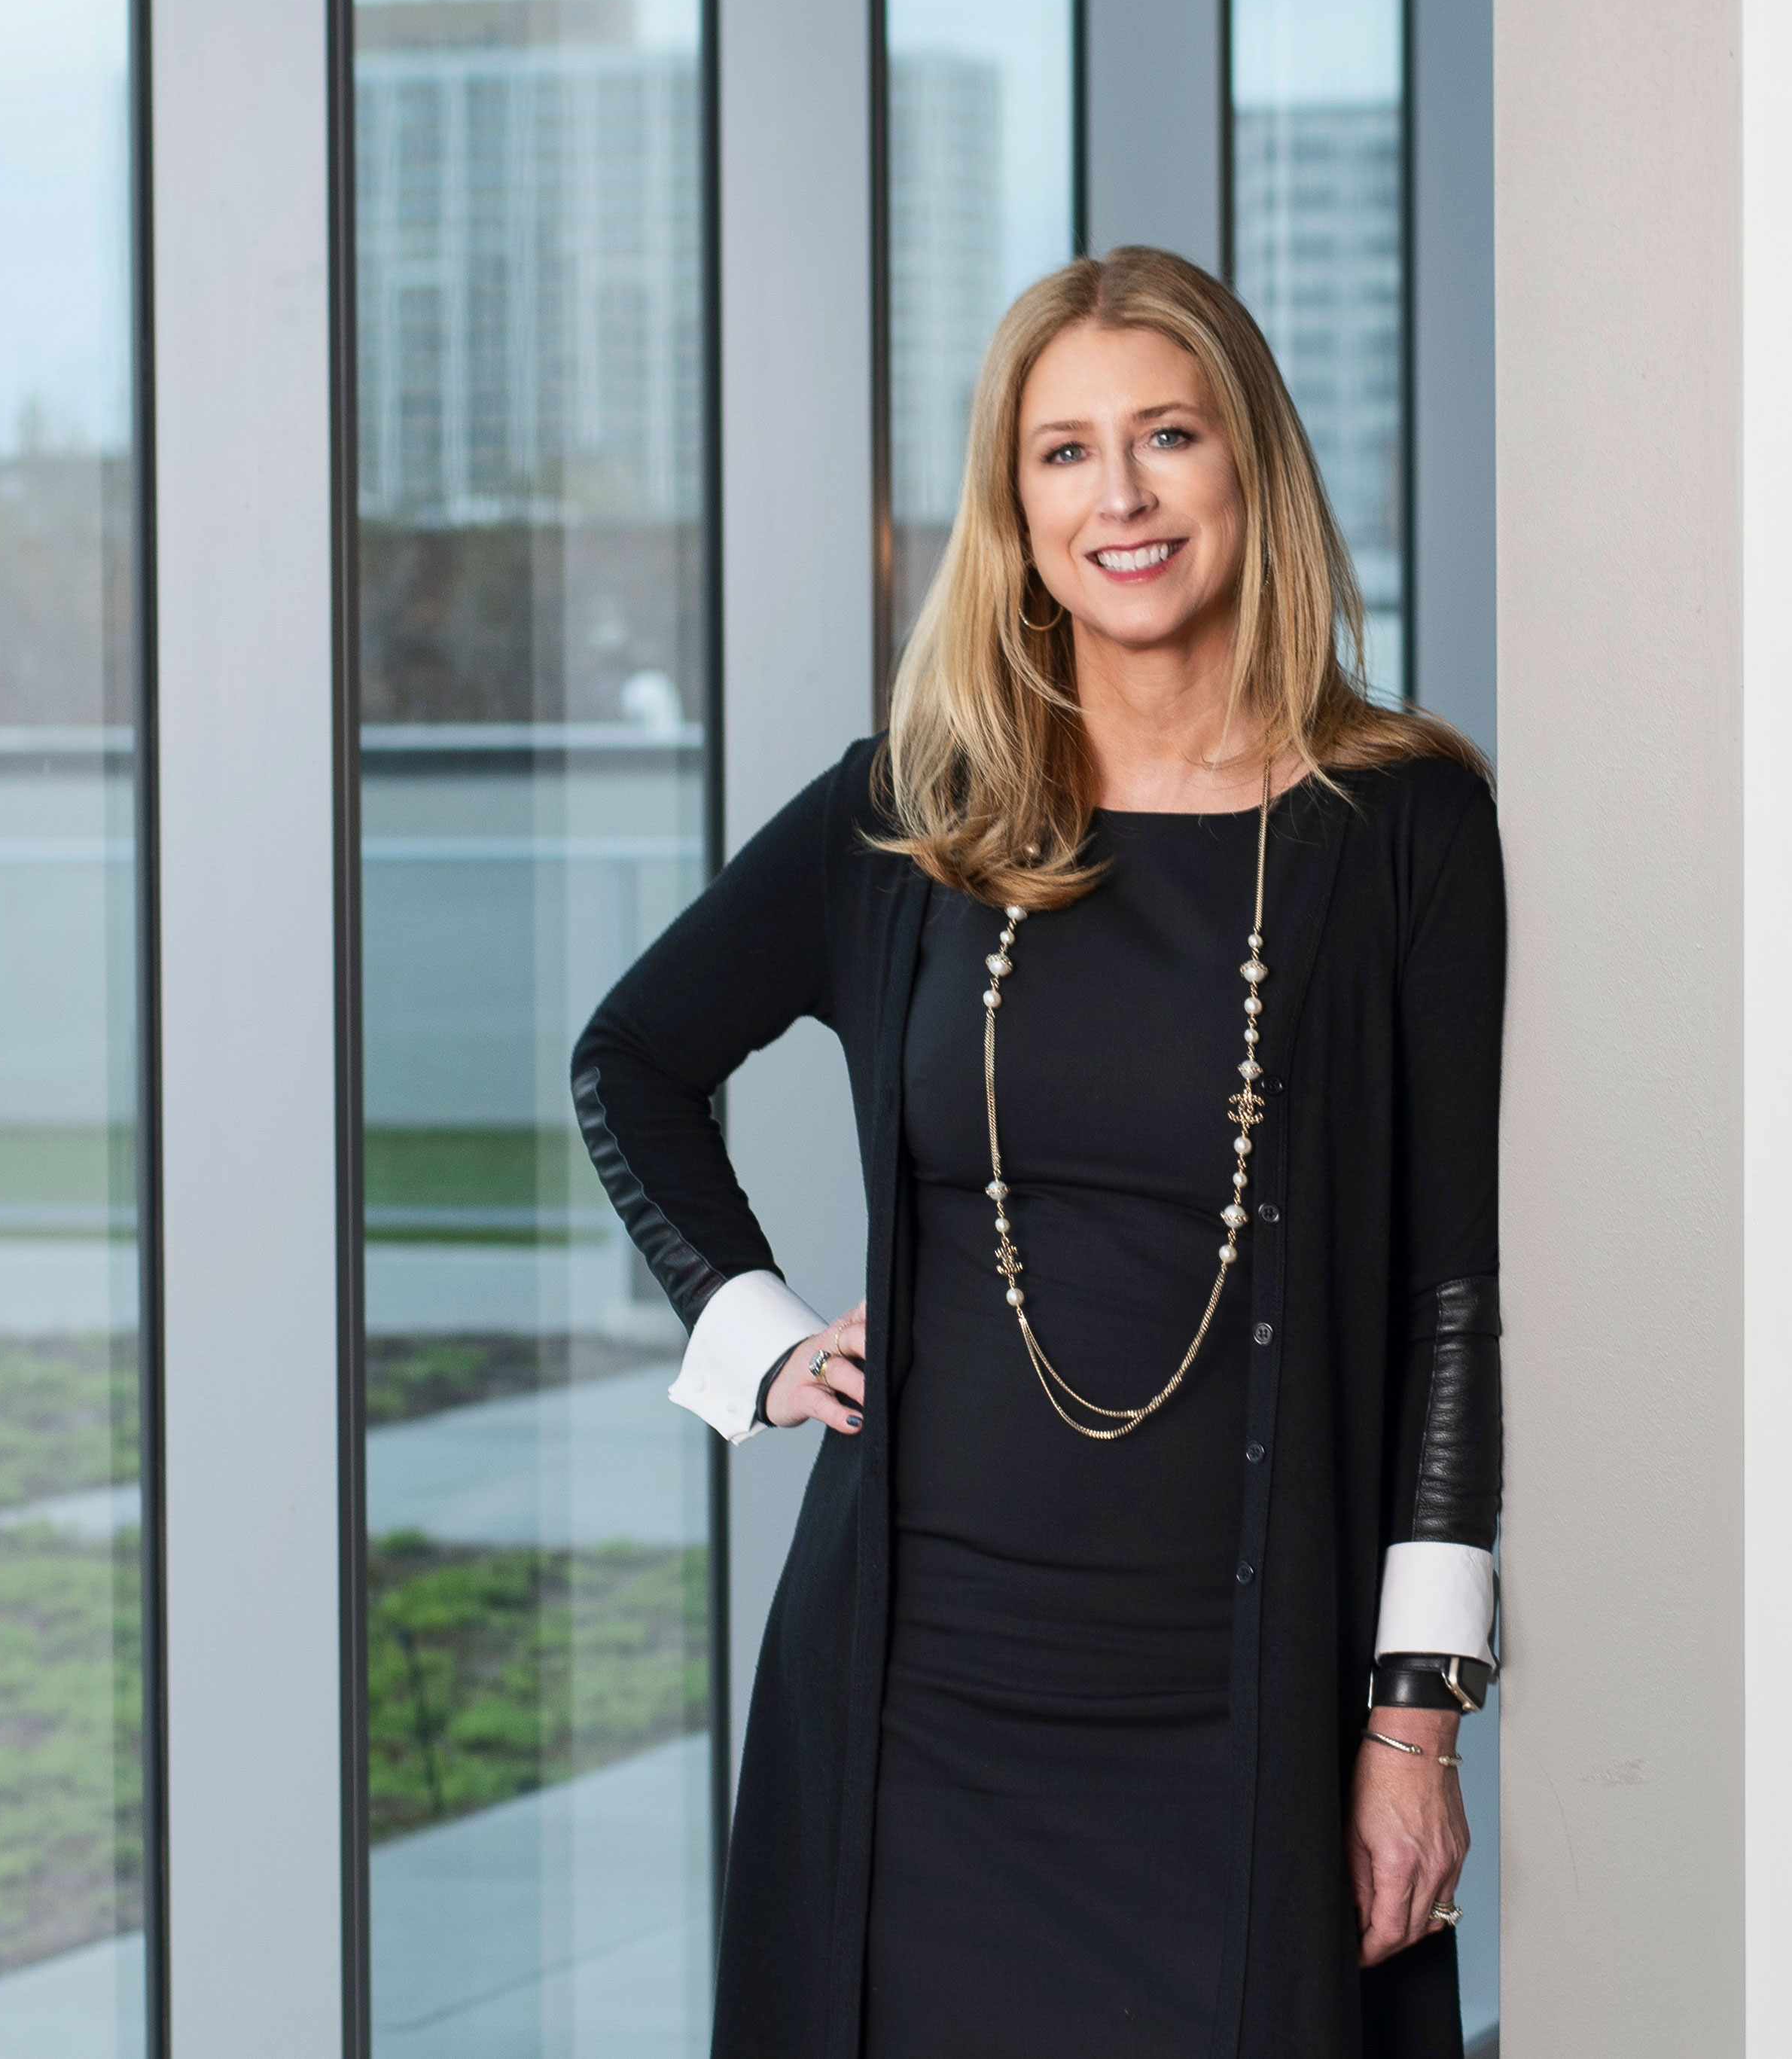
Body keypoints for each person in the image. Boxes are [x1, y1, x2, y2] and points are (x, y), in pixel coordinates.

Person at [574, 245, 1501, 2058]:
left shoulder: (1403, 825)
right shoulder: (910, 814)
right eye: (1064, 452)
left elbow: (1451, 1299)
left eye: (1168, 435)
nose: (1120, 495)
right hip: (915, 1711)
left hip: (1244, 1716)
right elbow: (632, 1060)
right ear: (1014, 507)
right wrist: (759, 1338)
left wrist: (1415, 1723)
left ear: (1251, 465)